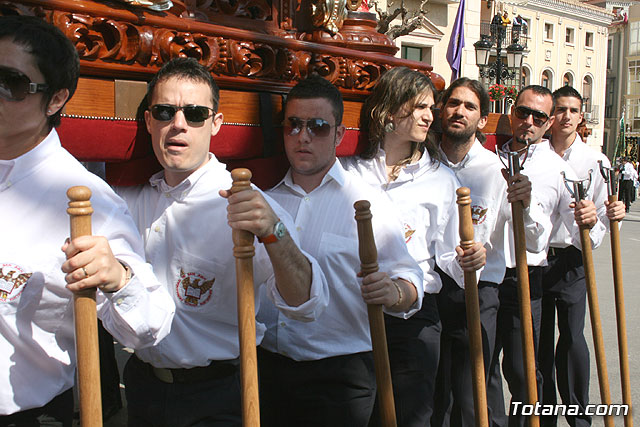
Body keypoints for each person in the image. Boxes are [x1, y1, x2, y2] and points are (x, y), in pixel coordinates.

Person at [115, 58, 328, 427]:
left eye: (195, 114)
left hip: (220, 395)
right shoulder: (126, 199)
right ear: (149, 121)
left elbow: (305, 303)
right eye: (165, 111)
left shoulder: (249, 205)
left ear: (216, 124)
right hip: (143, 388)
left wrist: (274, 233)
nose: (178, 124)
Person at [0, 15, 175, 426]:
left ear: (56, 100)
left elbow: (151, 324)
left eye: (12, 83)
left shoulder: (86, 201)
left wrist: (118, 277)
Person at [257, 75, 423, 427]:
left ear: (339, 135)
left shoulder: (368, 202)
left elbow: (410, 279)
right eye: (293, 125)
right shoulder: (264, 201)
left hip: (338, 379)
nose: (302, 136)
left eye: (317, 127)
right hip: (266, 372)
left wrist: (393, 292)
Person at [342, 67, 485, 427]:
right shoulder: (349, 173)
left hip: (414, 321)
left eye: (430, 108)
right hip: (354, 314)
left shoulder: (441, 179)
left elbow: (451, 256)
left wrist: (472, 259)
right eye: (419, 106)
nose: (429, 115)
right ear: (390, 111)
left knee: (410, 418)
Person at [432, 78, 544, 427]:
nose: (459, 112)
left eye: (469, 107)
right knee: (436, 394)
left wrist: (524, 203)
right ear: (441, 109)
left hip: (479, 293)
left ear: (483, 120)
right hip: (430, 291)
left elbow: (534, 238)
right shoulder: (423, 165)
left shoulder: (497, 172)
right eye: (453, 103)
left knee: (476, 393)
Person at [487, 85, 581, 427]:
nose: (529, 121)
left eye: (538, 116)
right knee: (483, 366)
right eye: (523, 112)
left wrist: (599, 217)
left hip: (526, 277)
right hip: (485, 276)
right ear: (513, 112)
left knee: (525, 372)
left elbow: (569, 233)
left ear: (549, 121)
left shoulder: (558, 170)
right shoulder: (490, 156)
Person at [538, 86, 625, 427]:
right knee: (539, 343)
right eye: (560, 109)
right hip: (537, 256)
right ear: (551, 114)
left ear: (581, 117)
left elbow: (604, 215)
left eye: (573, 110)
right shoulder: (536, 154)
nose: (566, 117)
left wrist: (602, 219)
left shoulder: (595, 161)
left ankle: (578, 414)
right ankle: (541, 416)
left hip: (573, 258)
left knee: (572, 337)